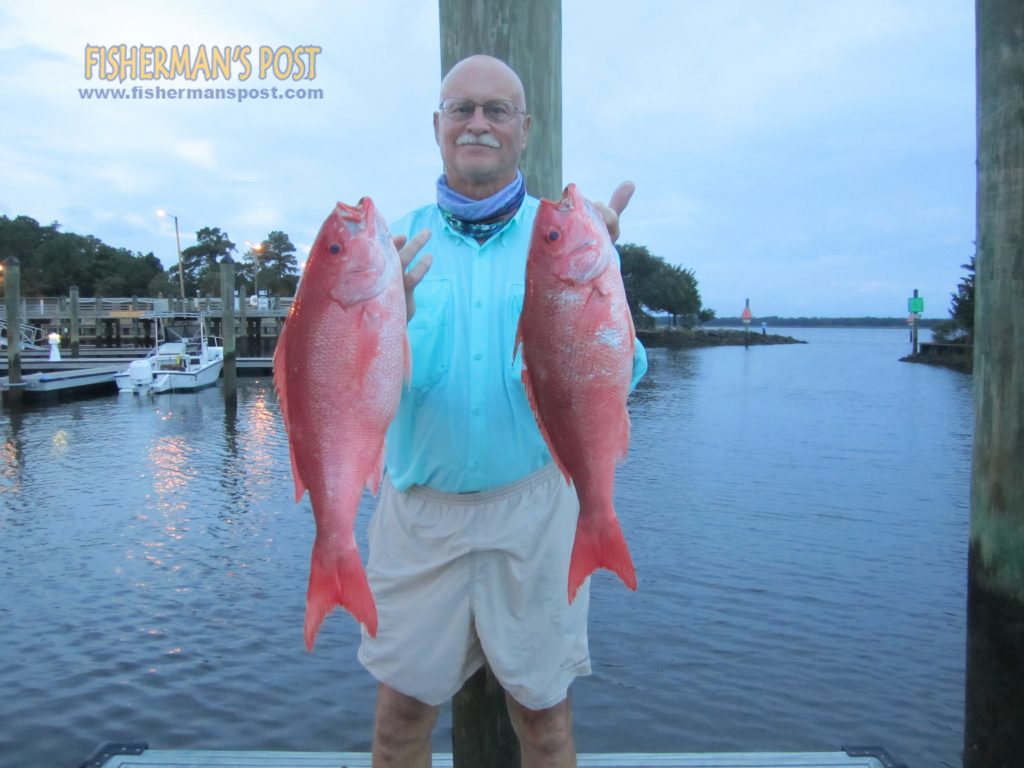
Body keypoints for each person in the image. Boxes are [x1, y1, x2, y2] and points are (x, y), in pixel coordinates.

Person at [357, 54, 647, 768]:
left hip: (539, 510)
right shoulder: (387, 250)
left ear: (525, 127)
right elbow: (357, 403)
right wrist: (380, 328)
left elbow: (622, 375)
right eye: (461, 109)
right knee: (399, 722)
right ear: (437, 126)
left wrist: (606, 277)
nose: (478, 123)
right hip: (420, 515)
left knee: (544, 721)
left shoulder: (567, 235)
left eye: (496, 110)